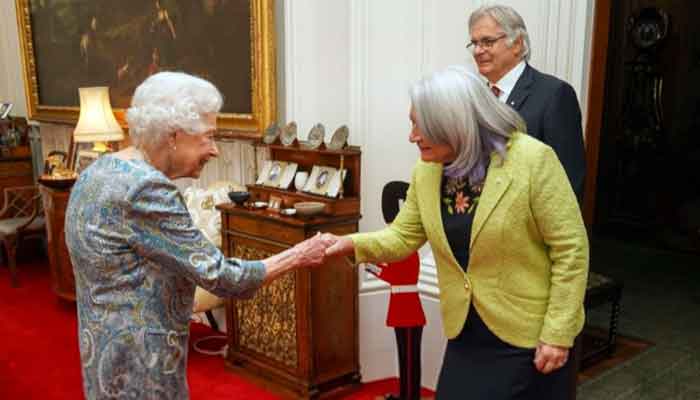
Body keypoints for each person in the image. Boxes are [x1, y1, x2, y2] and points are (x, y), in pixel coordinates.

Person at [323, 65, 589, 399]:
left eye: (420, 125)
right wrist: (345, 243)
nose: (412, 136)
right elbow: (403, 237)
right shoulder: (428, 171)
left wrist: (558, 333)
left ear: (454, 123)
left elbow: (571, 249)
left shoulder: (533, 160)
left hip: (530, 336)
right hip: (468, 333)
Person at [65, 71, 332, 400]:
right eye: (209, 137)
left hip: (102, 353)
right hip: (143, 367)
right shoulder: (147, 189)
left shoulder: (98, 172)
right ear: (175, 135)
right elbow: (223, 277)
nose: (216, 150)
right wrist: (298, 255)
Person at [467, 4, 586, 201]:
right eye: (474, 43)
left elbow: (568, 179)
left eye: (487, 42)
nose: (478, 51)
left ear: (517, 44)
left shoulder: (554, 94)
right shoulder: (477, 96)